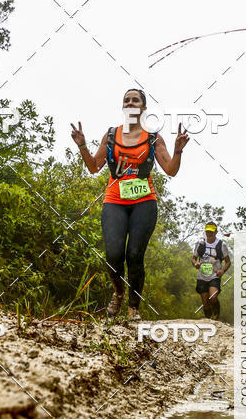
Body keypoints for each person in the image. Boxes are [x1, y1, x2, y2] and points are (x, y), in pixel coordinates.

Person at [71, 89, 189, 321]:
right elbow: (94, 167)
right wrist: (82, 146)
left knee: (135, 255)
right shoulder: (112, 135)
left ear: (143, 108)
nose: (130, 102)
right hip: (114, 201)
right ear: (123, 106)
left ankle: (134, 307)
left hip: (144, 203)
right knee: (113, 255)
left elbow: (171, 170)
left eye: (135, 99)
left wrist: (178, 150)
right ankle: (119, 292)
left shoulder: (154, 138)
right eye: (127, 99)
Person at [192, 221, 231, 320]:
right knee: (205, 302)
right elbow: (193, 259)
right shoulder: (200, 243)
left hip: (214, 275)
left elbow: (228, 262)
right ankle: (208, 320)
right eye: (207, 231)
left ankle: (217, 317)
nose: (209, 234)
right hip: (202, 275)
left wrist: (222, 270)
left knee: (213, 297)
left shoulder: (222, 245)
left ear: (216, 232)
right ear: (205, 231)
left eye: (211, 232)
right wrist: (195, 264)